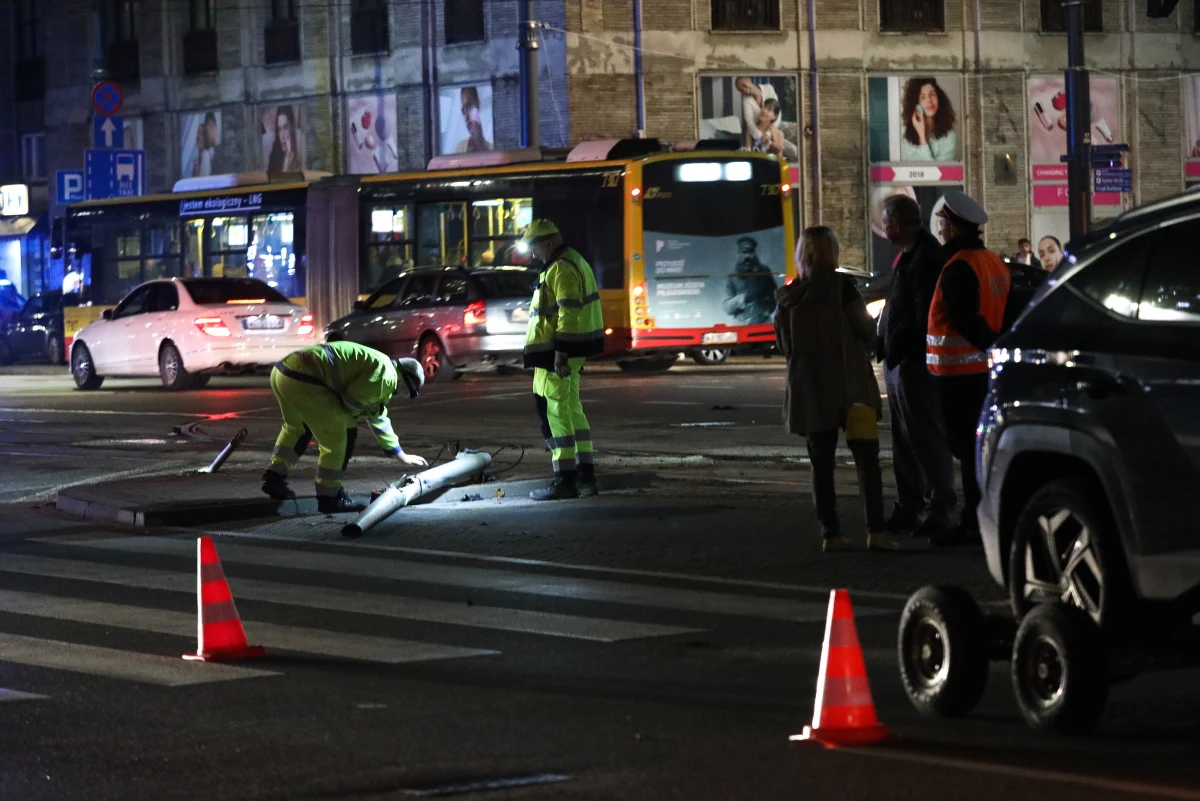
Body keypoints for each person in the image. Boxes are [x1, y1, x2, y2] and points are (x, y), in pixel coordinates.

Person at [774, 226, 896, 553]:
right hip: (851, 386)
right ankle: (876, 532)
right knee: (867, 461)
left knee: (821, 464)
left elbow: (784, 345)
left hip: (810, 391)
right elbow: (866, 328)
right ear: (833, 252)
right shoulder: (844, 288)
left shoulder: (788, 298)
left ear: (803, 255)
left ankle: (830, 534)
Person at [926, 191, 1010, 547]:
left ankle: (974, 520)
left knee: (967, 451)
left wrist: (988, 346)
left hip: (958, 376)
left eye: (943, 222)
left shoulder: (958, 265)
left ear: (955, 225)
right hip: (982, 371)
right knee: (980, 449)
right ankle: (980, 516)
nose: (940, 228)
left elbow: (965, 319)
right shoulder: (993, 261)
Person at [261, 341, 429, 520]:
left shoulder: (379, 364)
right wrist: (357, 413)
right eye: (408, 391)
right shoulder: (387, 375)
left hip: (283, 372)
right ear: (405, 378)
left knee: (297, 428)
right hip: (306, 378)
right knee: (342, 434)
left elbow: (377, 415)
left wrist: (400, 454)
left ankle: (274, 477)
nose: (402, 395)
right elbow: (352, 402)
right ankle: (330, 497)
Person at [877, 194, 957, 541]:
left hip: (914, 362)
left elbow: (923, 314)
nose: (885, 227)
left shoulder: (925, 257)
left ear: (902, 222)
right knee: (905, 441)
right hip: (900, 360)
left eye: (888, 221)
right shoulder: (910, 255)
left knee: (924, 438)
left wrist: (900, 343)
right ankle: (910, 506)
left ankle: (939, 508)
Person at [518, 219, 605, 501]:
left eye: (533, 249)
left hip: (556, 354)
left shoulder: (561, 268)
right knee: (570, 410)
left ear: (546, 243)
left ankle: (565, 480)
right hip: (565, 351)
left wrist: (561, 352)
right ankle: (585, 477)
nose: (533, 256)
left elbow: (569, 310)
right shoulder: (572, 261)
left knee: (554, 411)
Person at [900, 77, 958, 163]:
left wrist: (922, 138)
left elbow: (938, 174)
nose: (929, 100)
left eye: (932, 94)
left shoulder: (949, 136)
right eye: (923, 97)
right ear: (916, 104)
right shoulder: (904, 133)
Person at [724, 236, 779, 324]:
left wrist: (766, 311)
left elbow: (775, 296)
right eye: (744, 252)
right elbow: (727, 308)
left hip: (762, 322)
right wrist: (740, 299)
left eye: (750, 252)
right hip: (740, 325)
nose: (747, 256)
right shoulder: (732, 276)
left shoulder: (764, 271)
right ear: (739, 253)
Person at [454, 87, 493, 153]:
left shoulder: (494, 147)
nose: (466, 118)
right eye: (463, 111)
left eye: (469, 106)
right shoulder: (460, 148)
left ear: (478, 104)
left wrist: (481, 145)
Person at [267, 107, 301, 173]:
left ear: (292, 127)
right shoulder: (274, 157)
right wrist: (286, 167)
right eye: (279, 129)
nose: (282, 136)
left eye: (285, 127)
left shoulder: (301, 150)